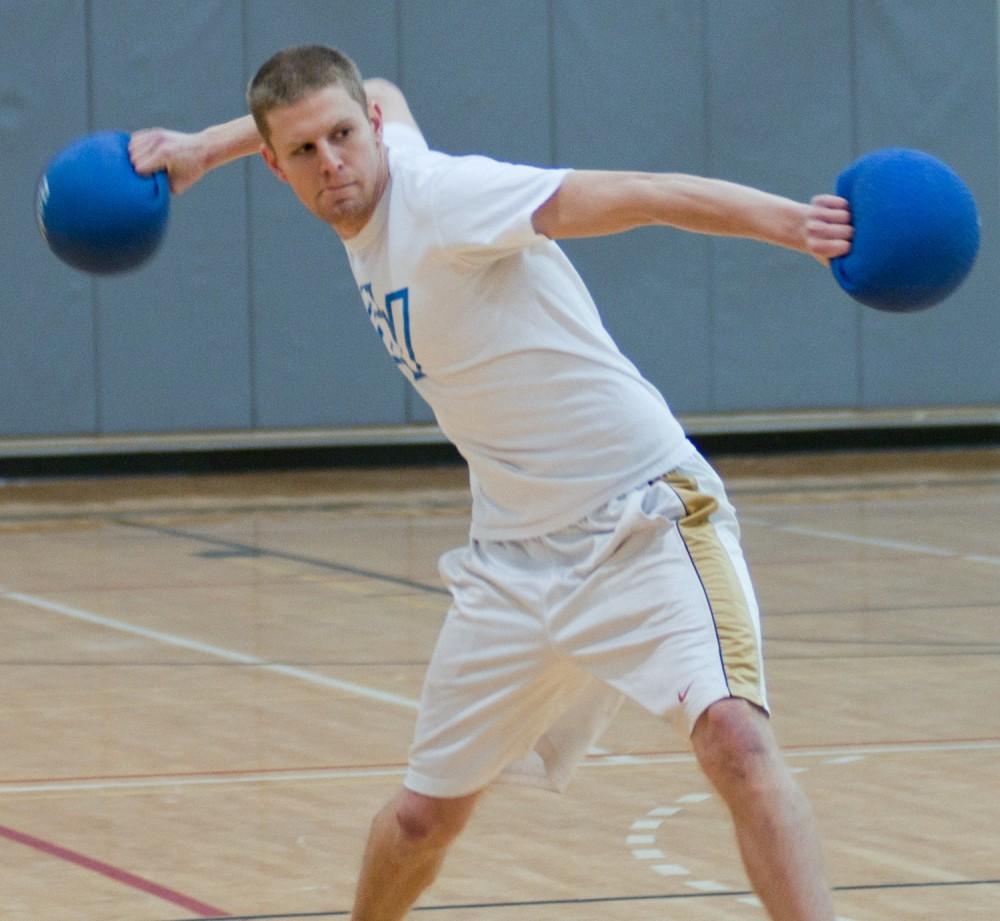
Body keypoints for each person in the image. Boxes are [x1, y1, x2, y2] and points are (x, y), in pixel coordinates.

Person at [130, 44, 852, 921]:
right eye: (305, 152)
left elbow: (637, 192)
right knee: (421, 819)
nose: (333, 163)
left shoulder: (443, 198)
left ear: (376, 133)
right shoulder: (369, 161)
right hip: (513, 559)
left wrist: (792, 226)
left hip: (644, 516)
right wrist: (207, 147)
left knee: (736, 738)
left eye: (344, 137)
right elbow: (380, 86)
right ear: (276, 169)